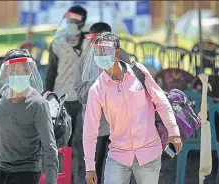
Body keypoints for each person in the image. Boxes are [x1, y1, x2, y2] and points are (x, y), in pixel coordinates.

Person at [82, 32, 183, 184]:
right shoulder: (96, 89)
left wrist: (174, 132)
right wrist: (90, 167)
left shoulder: (139, 72)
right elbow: (90, 129)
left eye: (105, 50)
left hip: (149, 152)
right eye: (98, 51)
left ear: (116, 52)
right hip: (118, 156)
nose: (101, 55)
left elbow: (161, 101)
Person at [0, 49, 58, 184]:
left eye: (24, 70)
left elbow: (49, 148)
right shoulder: (3, 95)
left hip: (27, 172)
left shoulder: (38, 104)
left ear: (30, 73)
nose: (19, 74)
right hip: (0, 170)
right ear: (7, 73)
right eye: (14, 70)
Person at [73, 22, 130, 184]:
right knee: (93, 167)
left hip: (119, 123)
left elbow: (131, 86)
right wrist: (98, 82)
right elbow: (80, 92)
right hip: (96, 124)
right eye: (95, 41)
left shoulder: (121, 55)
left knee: (119, 167)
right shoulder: (84, 60)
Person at [44, 5, 87, 184]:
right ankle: (63, 179)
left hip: (83, 101)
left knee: (81, 144)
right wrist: (47, 95)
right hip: (61, 101)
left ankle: (81, 179)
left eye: (75, 21)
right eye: (69, 20)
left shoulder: (89, 44)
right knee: (62, 143)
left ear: (82, 23)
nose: (71, 24)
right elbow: (51, 73)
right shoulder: (58, 44)